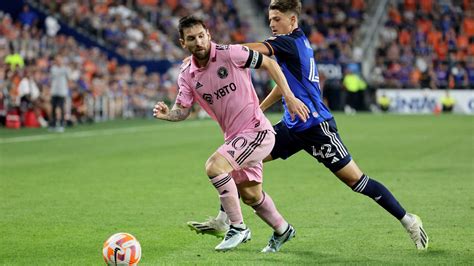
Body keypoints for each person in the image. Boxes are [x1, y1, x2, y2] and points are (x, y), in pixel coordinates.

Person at [187, 0, 429, 251]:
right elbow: (286, 86)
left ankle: (408, 220)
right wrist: (260, 108)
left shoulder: (288, 43)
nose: (272, 24)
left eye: (277, 19)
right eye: (270, 20)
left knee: (357, 181)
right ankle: (226, 220)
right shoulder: (294, 44)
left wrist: (213, 50)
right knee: (240, 159)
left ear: (292, 20)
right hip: (292, 127)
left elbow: (245, 50)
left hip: (316, 127)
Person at [153, 15, 310, 252]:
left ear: (209, 34)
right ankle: (283, 229)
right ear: (183, 43)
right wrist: (168, 114)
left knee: (215, 166)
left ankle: (237, 228)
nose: (198, 42)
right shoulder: (187, 74)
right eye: (191, 39)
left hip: (256, 130)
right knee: (250, 195)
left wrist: (288, 95)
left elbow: (270, 63)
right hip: (236, 137)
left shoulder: (230, 53)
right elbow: (182, 110)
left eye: (201, 36)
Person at [49, 55, 69, 132]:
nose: (58, 62)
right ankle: (53, 124)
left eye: (60, 60)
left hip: (62, 91)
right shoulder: (53, 69)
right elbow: (54, 75)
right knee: (53, 108)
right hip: (54, 91)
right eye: (57, 60)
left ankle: (61, 124)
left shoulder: (65, 69)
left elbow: (69, 77)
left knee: (61, 108)